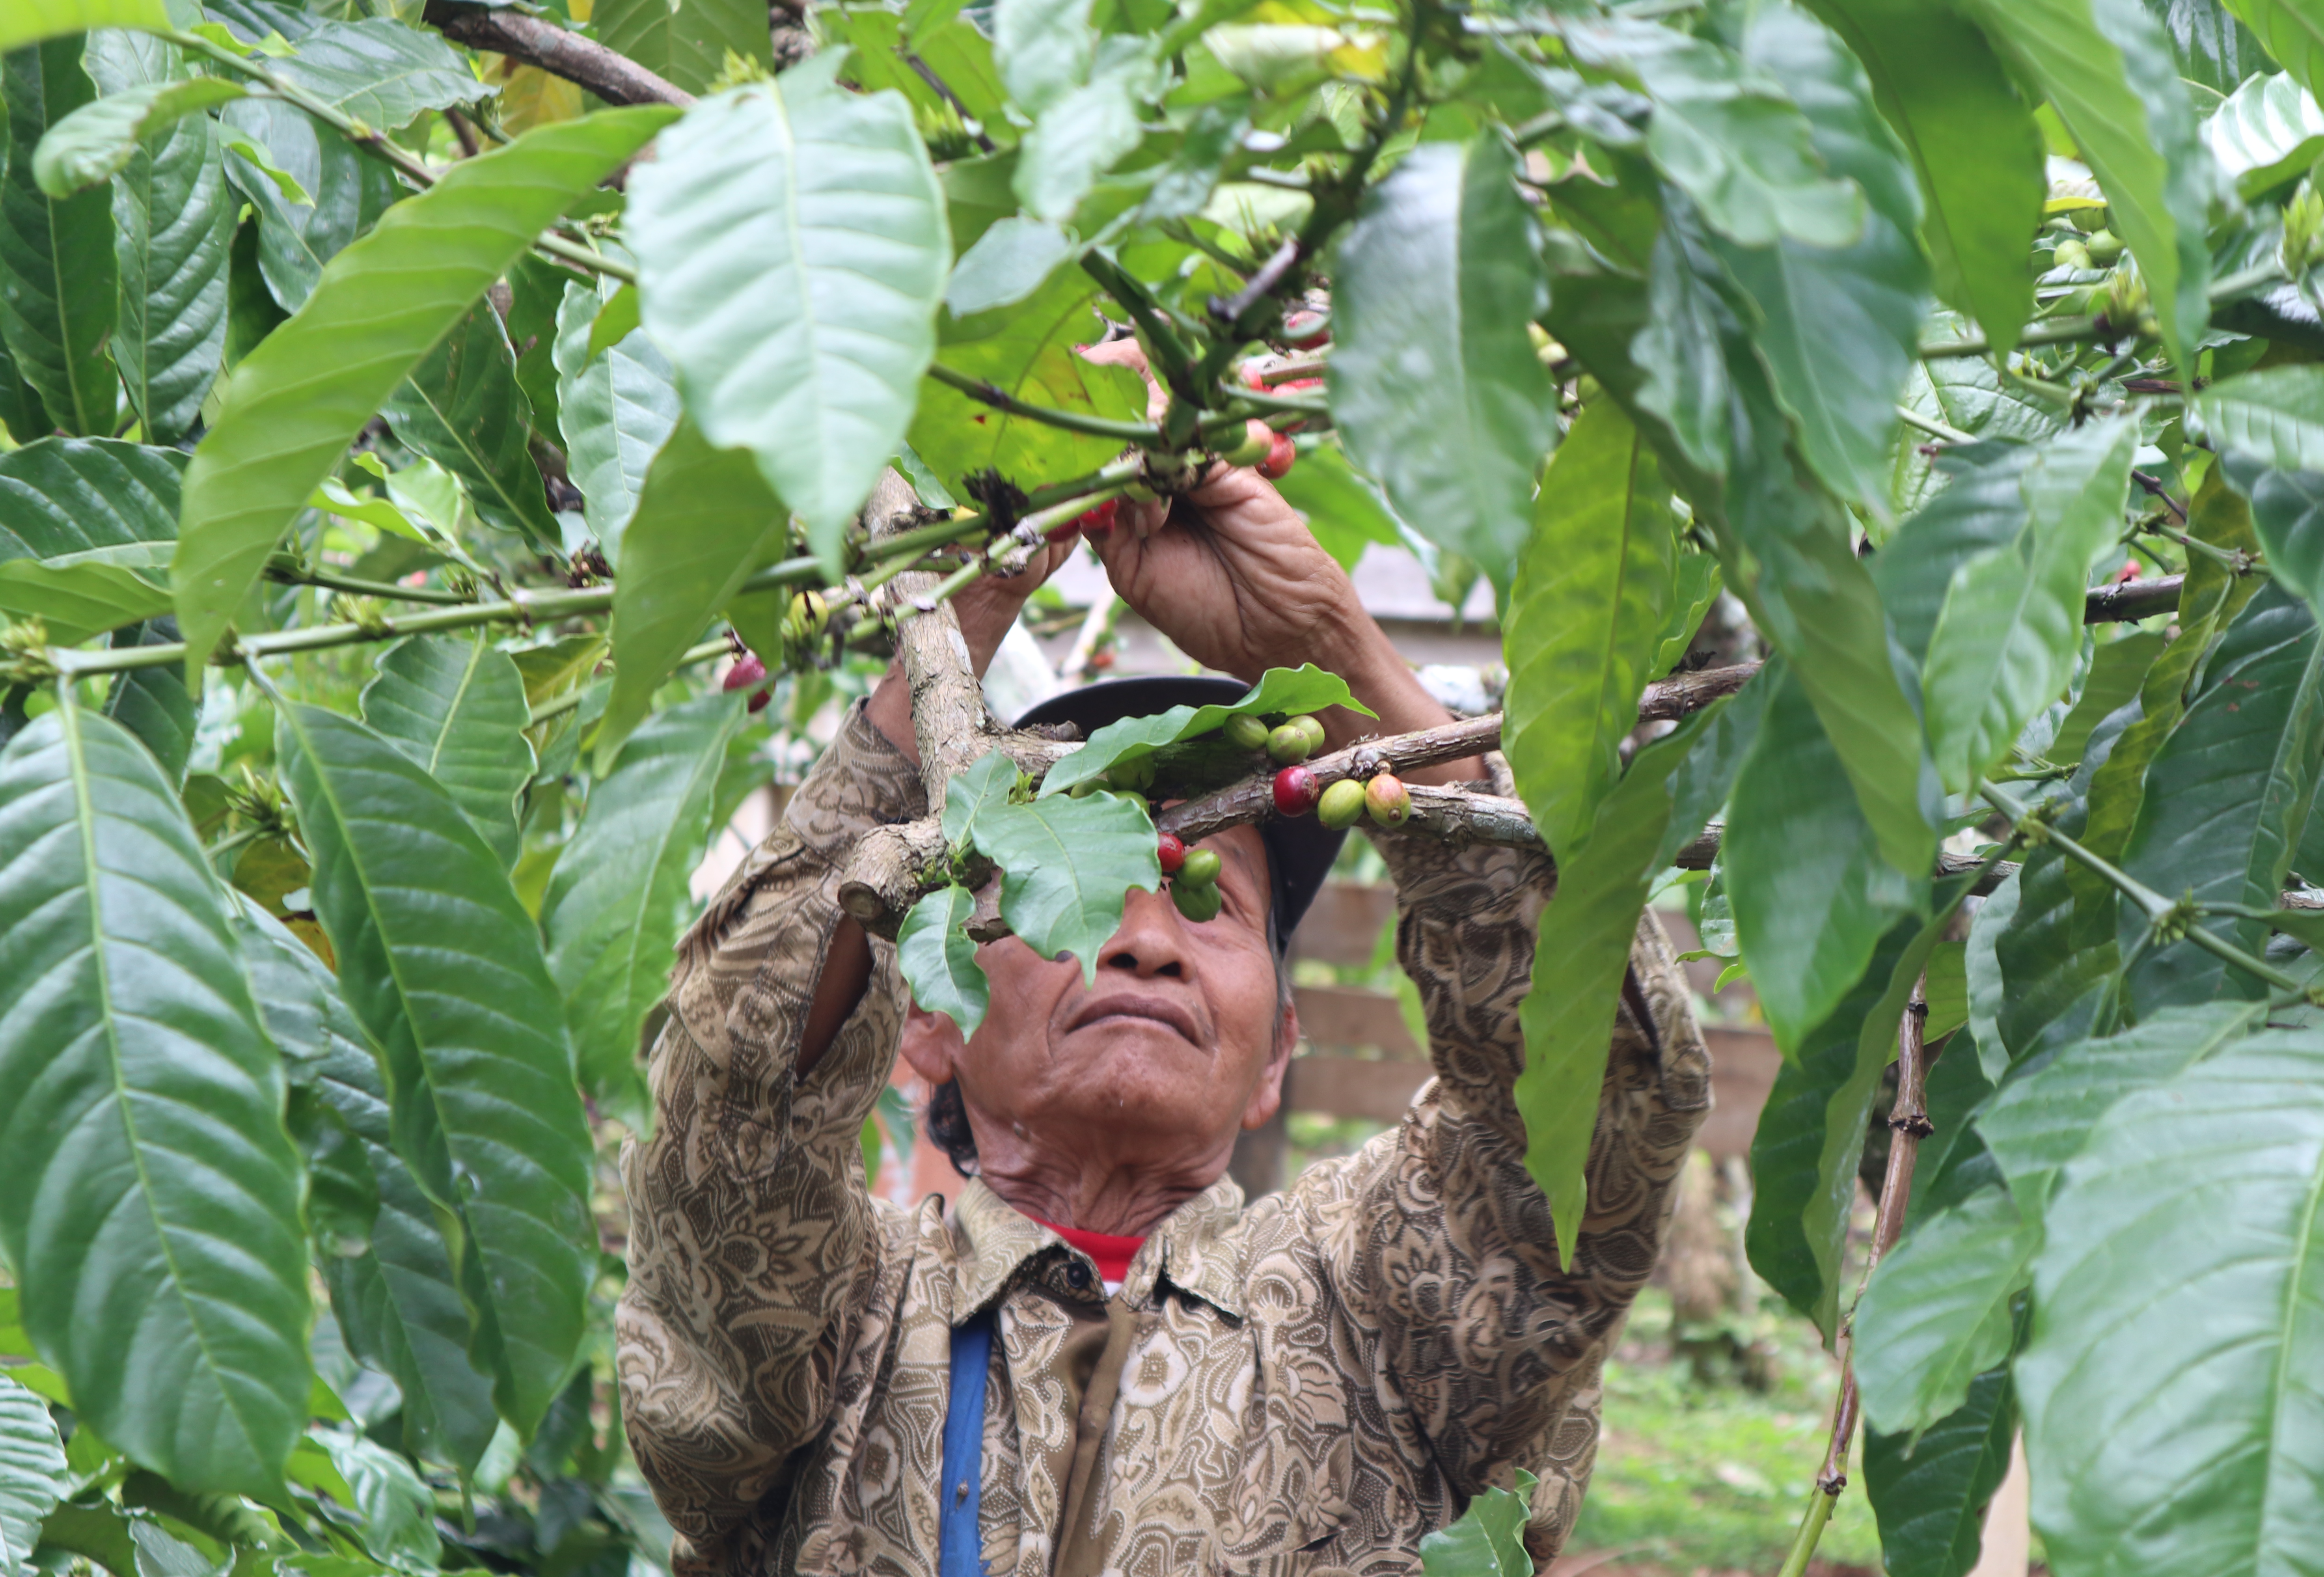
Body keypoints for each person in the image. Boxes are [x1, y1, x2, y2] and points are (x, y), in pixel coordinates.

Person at [615, 362, 1711, 1577]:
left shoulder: (1371, 1303)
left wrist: (1327, 650)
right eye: (1064, 895)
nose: (1140, 937)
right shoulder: (843, 1319)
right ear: (930, 1017)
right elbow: (733, 1116)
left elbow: (1588, 1098)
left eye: (1211, 904)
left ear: (1277, 1054)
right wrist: (949, 622)